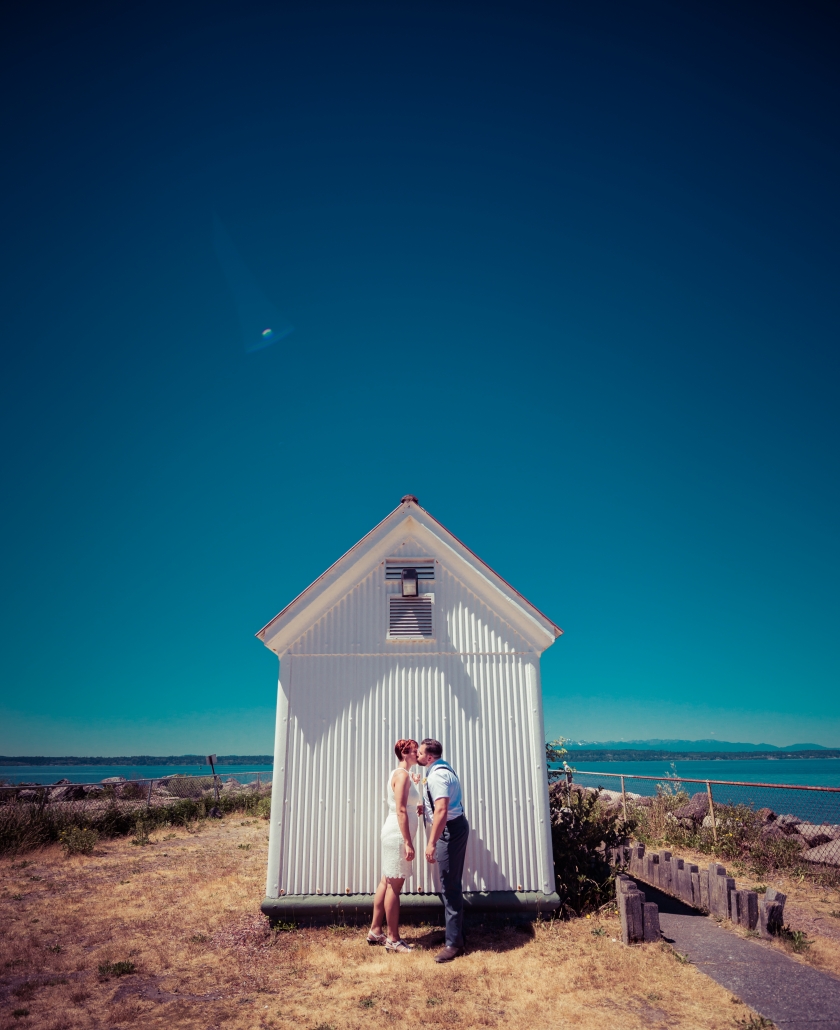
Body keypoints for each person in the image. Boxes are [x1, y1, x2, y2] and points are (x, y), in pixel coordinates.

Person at [417, 738, 469, 962]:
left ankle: (454, 944)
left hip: (449, 830)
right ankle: (453, 934)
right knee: (449, 883)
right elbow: (437, 806)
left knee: (450, 885)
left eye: (419, 753)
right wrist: (425, 808)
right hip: (451, 828)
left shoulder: (437, 775)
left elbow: (442, 811)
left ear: (429, 757)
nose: (417, 756)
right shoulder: (440, 769)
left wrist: (430, 843)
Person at [367, 738, 421, 953]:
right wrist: (408, 842)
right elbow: (400, 810)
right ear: (405, 753)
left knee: (386, 881)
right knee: (394, 887)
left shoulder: (401, 774)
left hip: (395, 832)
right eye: (415, 751)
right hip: (398, 835)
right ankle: (393, 939)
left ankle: (375, 930)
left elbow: (405, 805)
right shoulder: (401, 775)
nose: (418, 754)